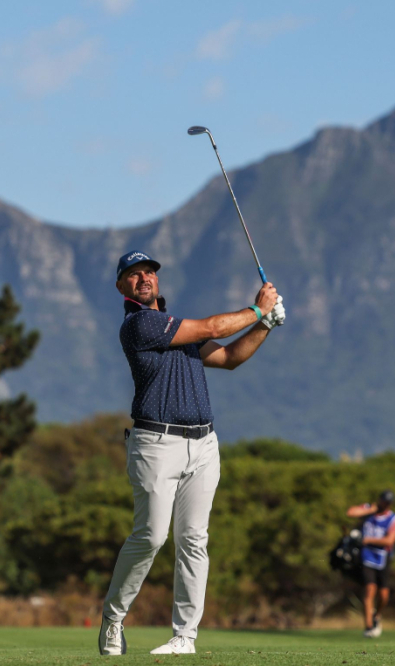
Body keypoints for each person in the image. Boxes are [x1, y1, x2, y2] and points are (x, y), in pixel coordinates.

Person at [99, 250, 286, 656]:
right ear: (121, 287)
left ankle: (185, 636)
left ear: (158, 281)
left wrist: (266, 325)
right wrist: (259, 308)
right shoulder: (140, 325)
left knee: (194, 540)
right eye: (133, 274)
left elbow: (231, 357)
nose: (143, 278)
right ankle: (113, 619)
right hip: (155, 444)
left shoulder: (178, 332)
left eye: (149, 271)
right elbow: (215, 325)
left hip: (203, 445)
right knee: (150, 537)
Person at [346, 490, 395, 638]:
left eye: (388, 503)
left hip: (383, 556)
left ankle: (377, 615)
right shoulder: (369, 510)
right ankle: (369, 626)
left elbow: (390, 540)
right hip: (366, 555)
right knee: (369, 590)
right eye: (384, 501)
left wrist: (368, 540)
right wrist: (370, 510)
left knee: (383, 595)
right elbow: (350, 512)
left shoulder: (393, 518)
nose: (385, 504)